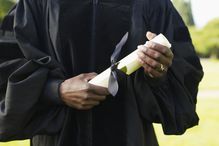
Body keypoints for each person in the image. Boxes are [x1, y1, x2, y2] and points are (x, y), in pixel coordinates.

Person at [0, 0, 203, 146]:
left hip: (130, 135)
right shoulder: (36, 4)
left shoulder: (152, 4)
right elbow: (5, 68)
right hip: (58, 138)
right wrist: (55, 90)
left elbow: (183, 84)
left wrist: (158, 73)